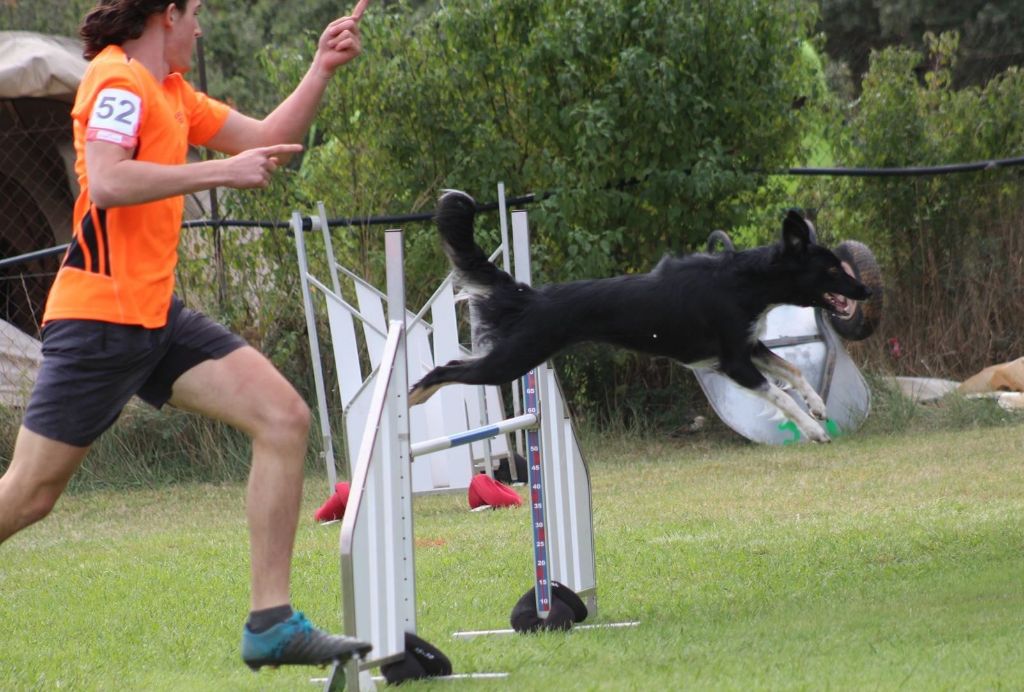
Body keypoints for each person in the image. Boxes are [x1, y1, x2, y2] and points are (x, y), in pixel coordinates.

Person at [0, 0, 373, 672]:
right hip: (97, 322)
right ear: (164, 16)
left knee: (284, 418)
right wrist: (219, 172)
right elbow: (109, 181)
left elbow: (267, 140)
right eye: (195, 14)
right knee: (28, 495)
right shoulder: (116, 82)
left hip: (156, 316)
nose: (200, 30)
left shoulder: (172, 93)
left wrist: (320, 68)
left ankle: (271, 622)